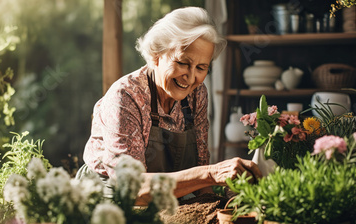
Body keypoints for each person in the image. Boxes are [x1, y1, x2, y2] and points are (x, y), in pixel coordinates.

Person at [77, 7, 261, 205]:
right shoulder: (126, 97)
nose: (191, 78)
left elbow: (201, 173)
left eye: (201, 68)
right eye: (182, 63)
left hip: (164, 200)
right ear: (156, 55)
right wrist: (212, 173)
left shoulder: (196, 94)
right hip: (110, 202)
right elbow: (133, 188)